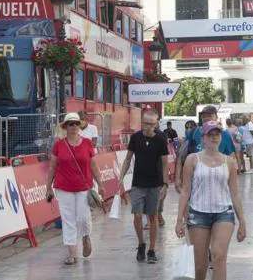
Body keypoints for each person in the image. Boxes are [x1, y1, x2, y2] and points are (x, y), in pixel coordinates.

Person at [176, 121, 246, 280]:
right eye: (211, 134)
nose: (214, 138)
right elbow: (186, 190)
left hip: (224, 214)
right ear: (203, 138)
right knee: (200, 266)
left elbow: (235, 193)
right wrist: (179, 218)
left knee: (219, 257)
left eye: (217, 134)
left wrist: (242, 221)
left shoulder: (229, 162)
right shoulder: (192, 160)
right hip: (198, 214)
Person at [46, 113, 105, 265]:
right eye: (70, 124)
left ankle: (86, 237)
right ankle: (72, 254)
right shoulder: (59, 145)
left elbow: (93, 165)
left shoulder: (87, 143)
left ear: (79, 126)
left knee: (83, 217)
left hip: (83, 187)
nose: (73, 127)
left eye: (76, 124)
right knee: (68, 220)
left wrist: (101, 184)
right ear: (65, 127)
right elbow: (52, 167)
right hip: (63, 187)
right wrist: (48, 188)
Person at [118, 110, 169, 264]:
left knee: (152, 216)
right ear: (142, 123)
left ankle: (152, 249)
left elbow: (165, 163)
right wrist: (121, 177)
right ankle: (141, 243)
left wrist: (165, 184)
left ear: (156, 124)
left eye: (151, 124)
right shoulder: (136, 138)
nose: (148, 127)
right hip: (138, 183)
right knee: (137, 215)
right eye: (146, 123)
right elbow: (128, 159)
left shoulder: (161, 139)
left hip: (155, 184)